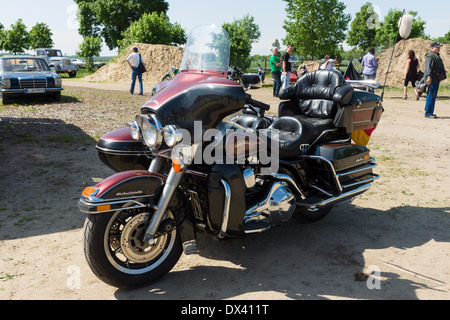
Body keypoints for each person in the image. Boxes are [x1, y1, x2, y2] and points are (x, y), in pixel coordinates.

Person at [424, 42, 446, 118]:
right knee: (431, 96)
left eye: (439, 47)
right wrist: (429, 77)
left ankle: (428, 111)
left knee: (432, 95)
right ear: (432, 48)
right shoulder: (430, 56)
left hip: (435, 79)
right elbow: (428, 68)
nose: (439, 48)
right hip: (432, 79)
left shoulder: (435, 55)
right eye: (437, 47)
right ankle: (428, 113)